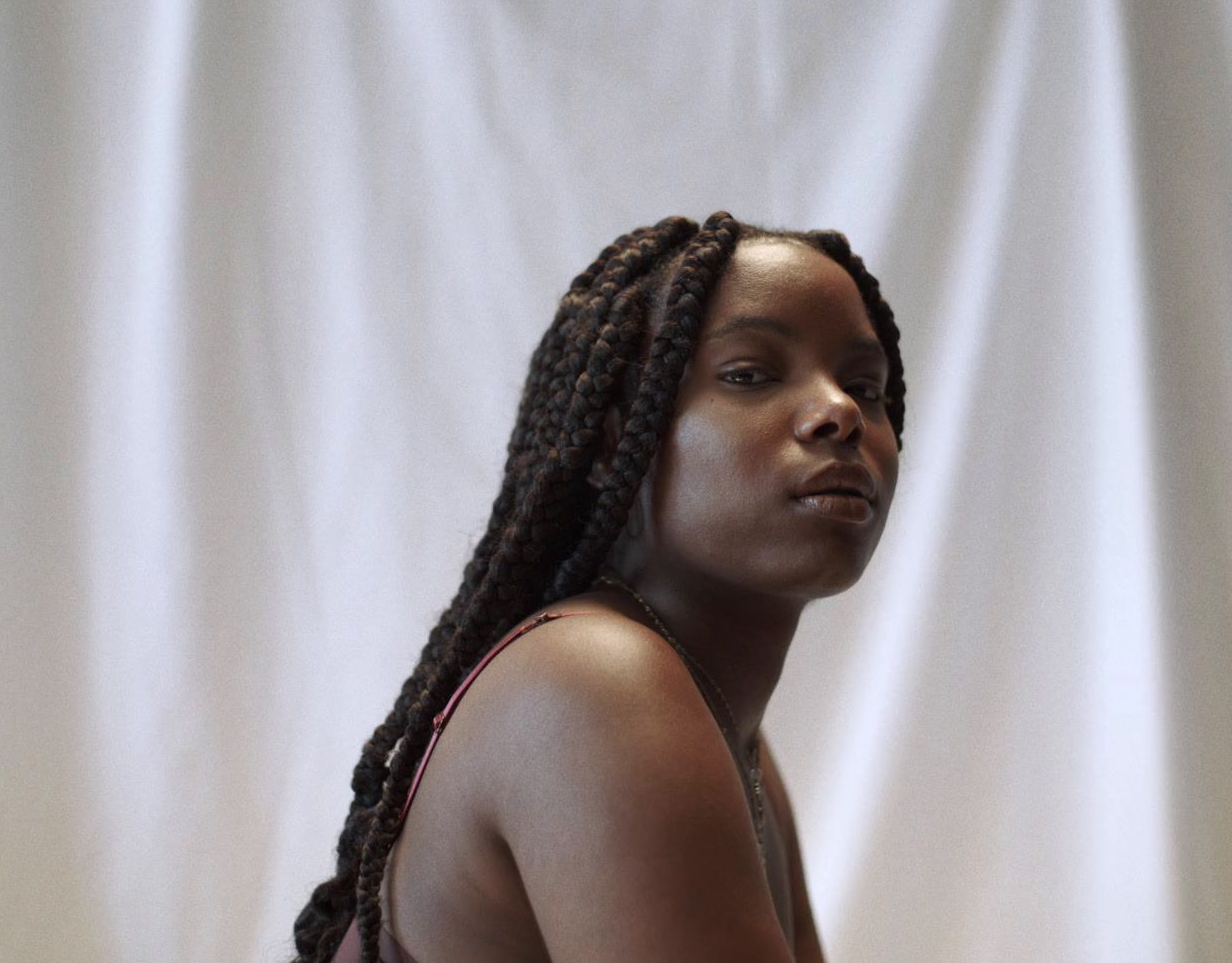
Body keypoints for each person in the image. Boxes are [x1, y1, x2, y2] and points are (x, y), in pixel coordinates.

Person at [291, 212, 905, 963]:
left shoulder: (731, 734)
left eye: (865, 387)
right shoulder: (596, 682)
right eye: (749, 374)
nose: (840, 411)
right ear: (618, 441)